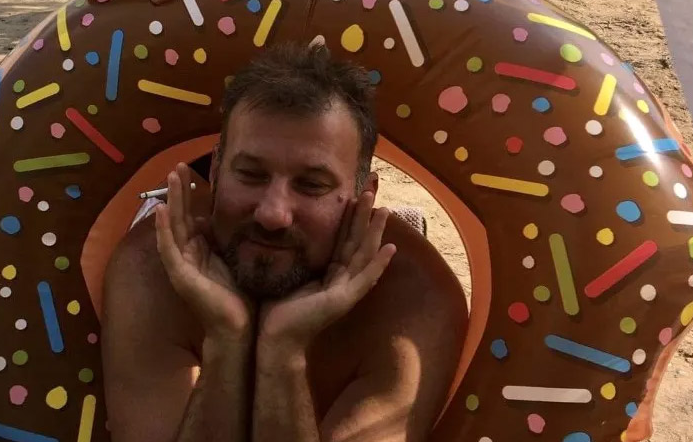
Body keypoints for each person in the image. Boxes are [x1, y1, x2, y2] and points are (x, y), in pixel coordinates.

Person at [101, 44, 468, 442]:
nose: (273, 214)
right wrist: (226, 340)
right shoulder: (150, 266)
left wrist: (283, 352)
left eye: (311, 185)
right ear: (217, 171)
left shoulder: (415, 301)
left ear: (365, 196)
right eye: (251, 174)